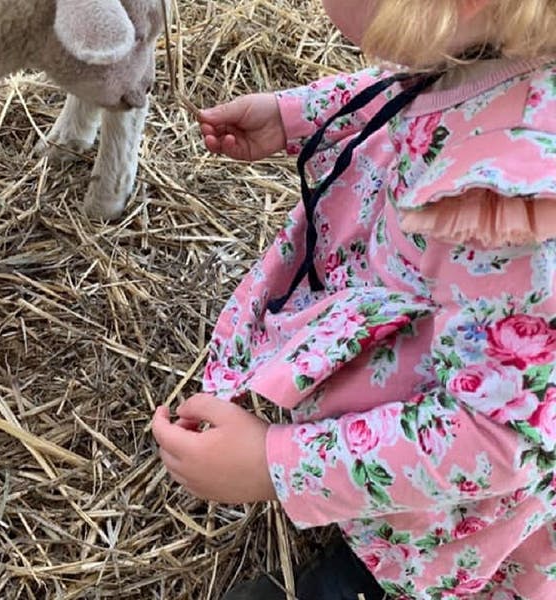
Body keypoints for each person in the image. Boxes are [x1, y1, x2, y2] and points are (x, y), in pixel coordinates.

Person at [151, 0, 556, 598]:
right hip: (414, 312)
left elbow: (496, 439)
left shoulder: (508, 204)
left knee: (406, 559)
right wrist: (297, 116)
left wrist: (276, 464)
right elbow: (412, 85)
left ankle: (367, 575)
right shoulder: (494, 41)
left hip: (443, 502)